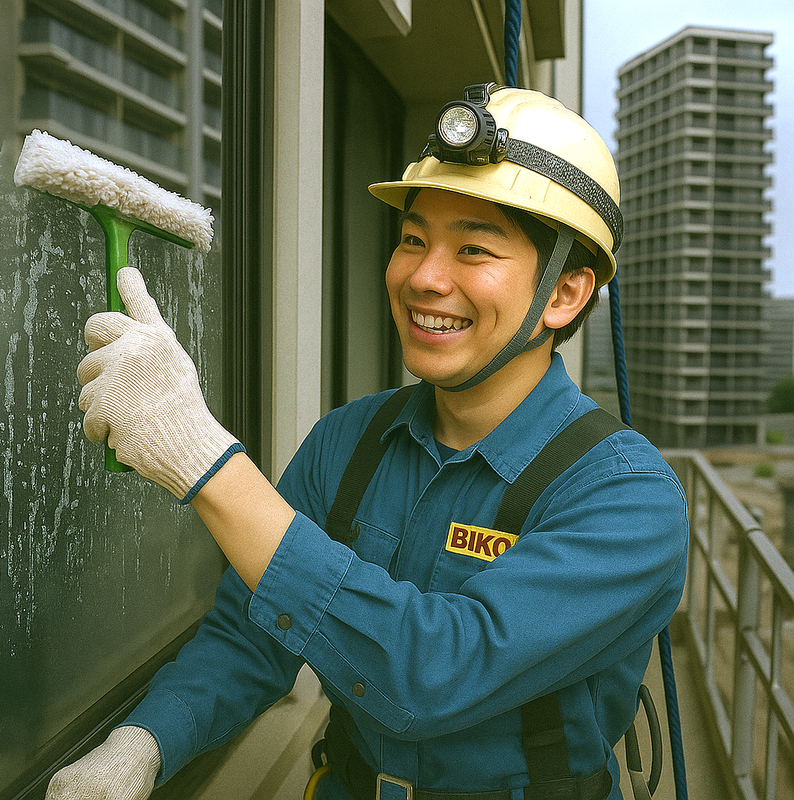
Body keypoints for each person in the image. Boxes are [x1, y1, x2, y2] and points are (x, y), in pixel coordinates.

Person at [47, 84, 688, 800]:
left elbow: (431, 674)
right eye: (414, 239)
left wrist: (200, 455)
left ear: (565, 295)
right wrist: (145, 742)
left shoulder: (625, 497)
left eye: (473, 249)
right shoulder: (350, 440)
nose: (423, 277)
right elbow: (250, 639)